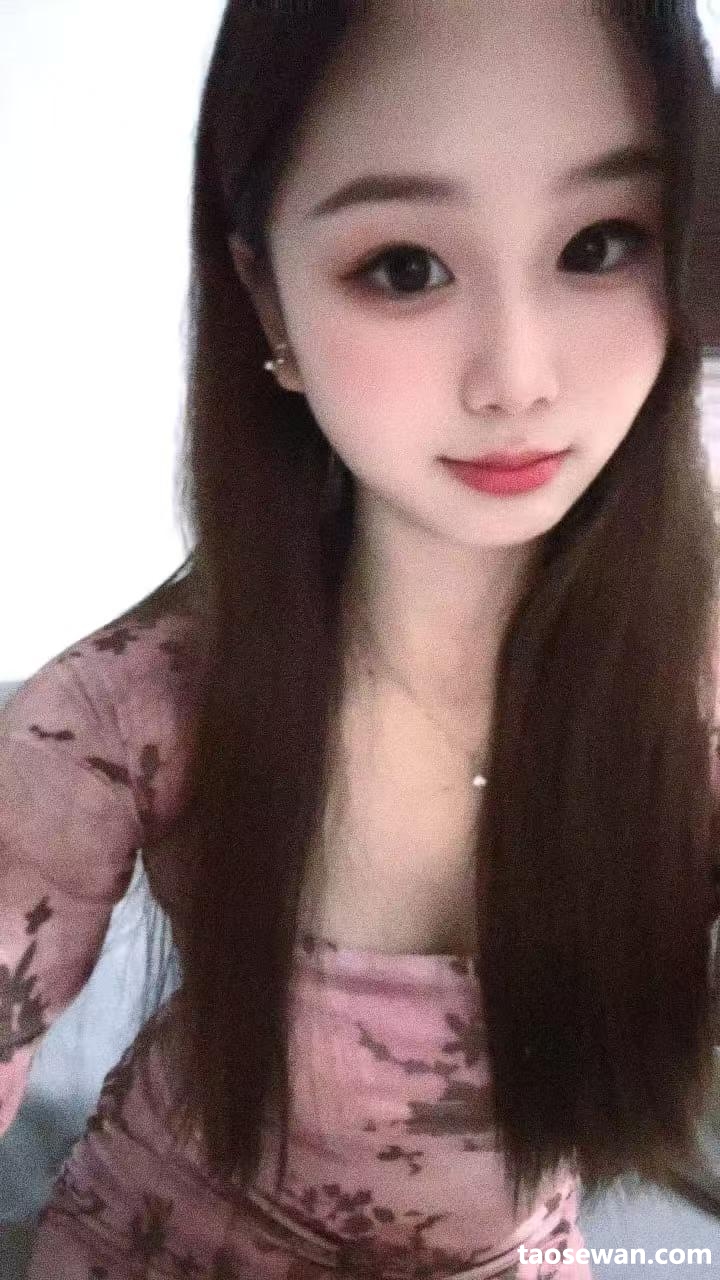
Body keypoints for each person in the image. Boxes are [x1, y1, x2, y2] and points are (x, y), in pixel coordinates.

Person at [2, 1, 720, 1275]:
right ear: (265, 300)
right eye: (405, 267)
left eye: (601, 243)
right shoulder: (130, 709)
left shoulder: (696, 689)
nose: (517, 376)